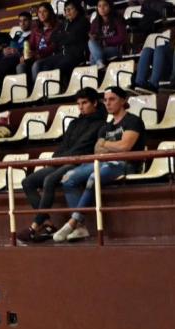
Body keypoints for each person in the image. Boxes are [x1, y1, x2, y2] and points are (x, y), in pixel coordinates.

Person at [53, 87, 146, 242]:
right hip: (103, 162)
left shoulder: (133, 121)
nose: (107, 103)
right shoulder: (106, 126)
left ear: (123, 101)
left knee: (92, 177)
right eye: (105, 99)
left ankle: (73, 222)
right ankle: (81, 228)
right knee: (68, 178)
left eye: (112, 99)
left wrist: (106, 144)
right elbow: (97, 150)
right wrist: (110, 147)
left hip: (127, 164)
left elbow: (125, 147)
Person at [18, 88, 106, 243]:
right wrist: (56, 158)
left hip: (79, 162)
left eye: (84, 103)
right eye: (78, 103)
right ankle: (47, 223)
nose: (81, 107)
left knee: (50, 180)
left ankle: (34, 226)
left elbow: (85, 146)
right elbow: (64, 144)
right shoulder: (74, 122)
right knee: (28, 182)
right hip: (62, 160)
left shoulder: (101, 124)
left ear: (95, 102)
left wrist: (64, 158)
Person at [33, 0, 89, 85]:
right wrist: (65, 36)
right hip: (63, 53)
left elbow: (73, 38)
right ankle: (42, 89)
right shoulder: (65, 24)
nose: (67, 12)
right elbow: (53, 37)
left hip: (76, 54)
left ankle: (57, 90)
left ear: (77, 9)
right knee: (42, 65)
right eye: (66, 10)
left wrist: (64, 37)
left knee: (56, 69)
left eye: (70, 9)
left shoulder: (83, 21)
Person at [16, 2, 59, 83]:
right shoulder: (36, 30)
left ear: (50, 12)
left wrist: (37, 54)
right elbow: (30, 45)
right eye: (39, 12)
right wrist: (24, 55)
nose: (41, 14)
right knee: (20, 66)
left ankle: (37, 92)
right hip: (36, 56)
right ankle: (25, 93)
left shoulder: (57, 27)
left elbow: (54, 46)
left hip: (50, 57)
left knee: (37, 65)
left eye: (44, 11)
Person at [88, 0, 127, 68]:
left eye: (105, 5)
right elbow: (92, 37)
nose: (102, 8)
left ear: (110, 6)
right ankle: (99, 64)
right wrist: (94, 37)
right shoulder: (95, 21)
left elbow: (122, 37)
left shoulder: (117, 19)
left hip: (115, 49)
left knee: (93, 56)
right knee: (90, 42)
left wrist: (105, 41)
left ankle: (97, 70)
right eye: (99, 6)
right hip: (100, 48)